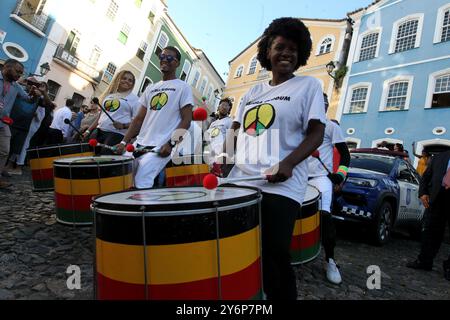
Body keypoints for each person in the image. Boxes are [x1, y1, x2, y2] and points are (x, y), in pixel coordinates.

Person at [220, 18, 326, 299]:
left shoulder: (309, 86)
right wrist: (224, 162)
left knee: (274, 252)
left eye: (293, 48)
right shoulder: (252, 92)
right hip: (242, 180)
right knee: (239, 249)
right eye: (280, 46)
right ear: (268, 51)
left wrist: (288, 163)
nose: (287, 53)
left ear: (300, 53)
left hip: (282, 183)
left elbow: (316, 132)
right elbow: (235, 131)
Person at [114, 46, 194, 189]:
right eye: (162, 57)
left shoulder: (183, 87)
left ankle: (143, 209)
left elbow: (186, 120)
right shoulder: (151, 88)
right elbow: (138, 119)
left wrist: (171, 144)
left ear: (177, 63)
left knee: (141, 183)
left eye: (169, 58)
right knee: (124, 181)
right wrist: (124, 141)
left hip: (161, 146)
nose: (164, 60)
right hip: (138, 144)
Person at [307, 94, 350, 285]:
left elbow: (346, 156)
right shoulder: (299, 125)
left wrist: (340, 175)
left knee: (324, 217)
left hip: (320, 178)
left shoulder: (331, 126)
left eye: (323, 104)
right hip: (296, 178)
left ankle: (329, 260)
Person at [406, 150, 450, 281]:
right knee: (431, 230)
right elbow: (426, 177)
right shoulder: (440, 157)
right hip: (438, 197)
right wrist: (423, 192)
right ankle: (424, 261)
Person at [0, 59, 41, 188]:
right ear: (7, 67)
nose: (19, 75)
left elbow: (28, 100)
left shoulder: (16, 86)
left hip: (3, 122)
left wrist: (34, 95)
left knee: (4, 151)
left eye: (21, 73)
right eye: (17, 71)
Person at [83, 70, 140, 155]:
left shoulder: (135, 99)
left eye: (130, 80)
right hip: (98, 132)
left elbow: (137, 122)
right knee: (88, 157)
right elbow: (100, 116)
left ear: (132, 84)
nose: (127, 81)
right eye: (124, 78)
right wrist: (88, 131)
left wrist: (123, 125)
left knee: (103, 162)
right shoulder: (110, 96)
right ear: (118, 79)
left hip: (116, 135)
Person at [6, 80, 51, 174]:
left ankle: (16, 167)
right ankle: (8, 166)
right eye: (30, 83)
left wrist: (42, 93)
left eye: (39, 85)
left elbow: (47, 104)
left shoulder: (39, 97)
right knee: (8, 148)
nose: (34, 86)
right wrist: (22, 82)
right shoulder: (21, 90)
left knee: (18, 147)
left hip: (25, 127)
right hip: (12, 123)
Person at [206, 98, 233, 165]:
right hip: (208, 155)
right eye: (223, 105)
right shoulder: (213, 123)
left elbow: (230, 140)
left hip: (219, 156)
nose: (224, 107)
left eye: (227, 106)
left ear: (229, 110)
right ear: (218, 107)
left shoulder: (230, 122)